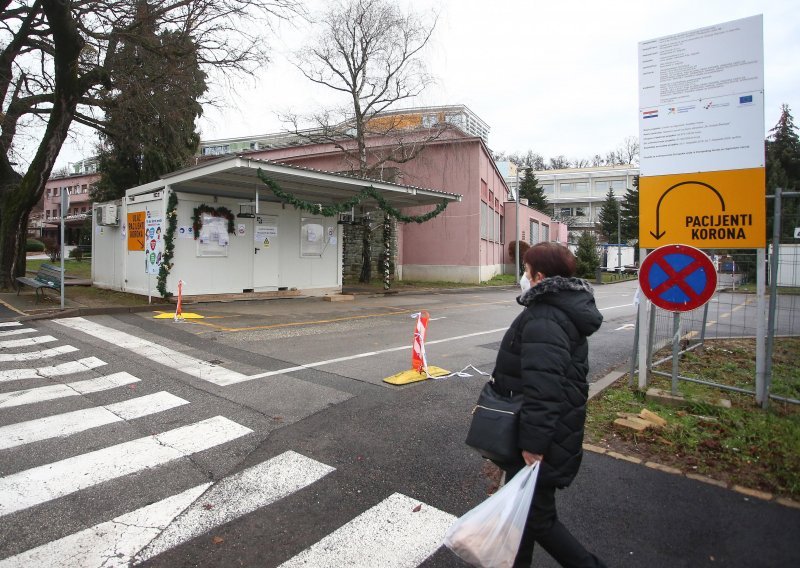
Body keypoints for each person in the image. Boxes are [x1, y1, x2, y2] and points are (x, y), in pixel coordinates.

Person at [491, 242, 606, 567]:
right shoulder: (557, 310)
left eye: (525, 271)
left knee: (539, 518)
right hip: (550, 431)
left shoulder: (545, 317)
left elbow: (544, 388)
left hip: (541, 437)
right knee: (524, 512)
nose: (523, 277)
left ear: (539, 276)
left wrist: (533, 445)